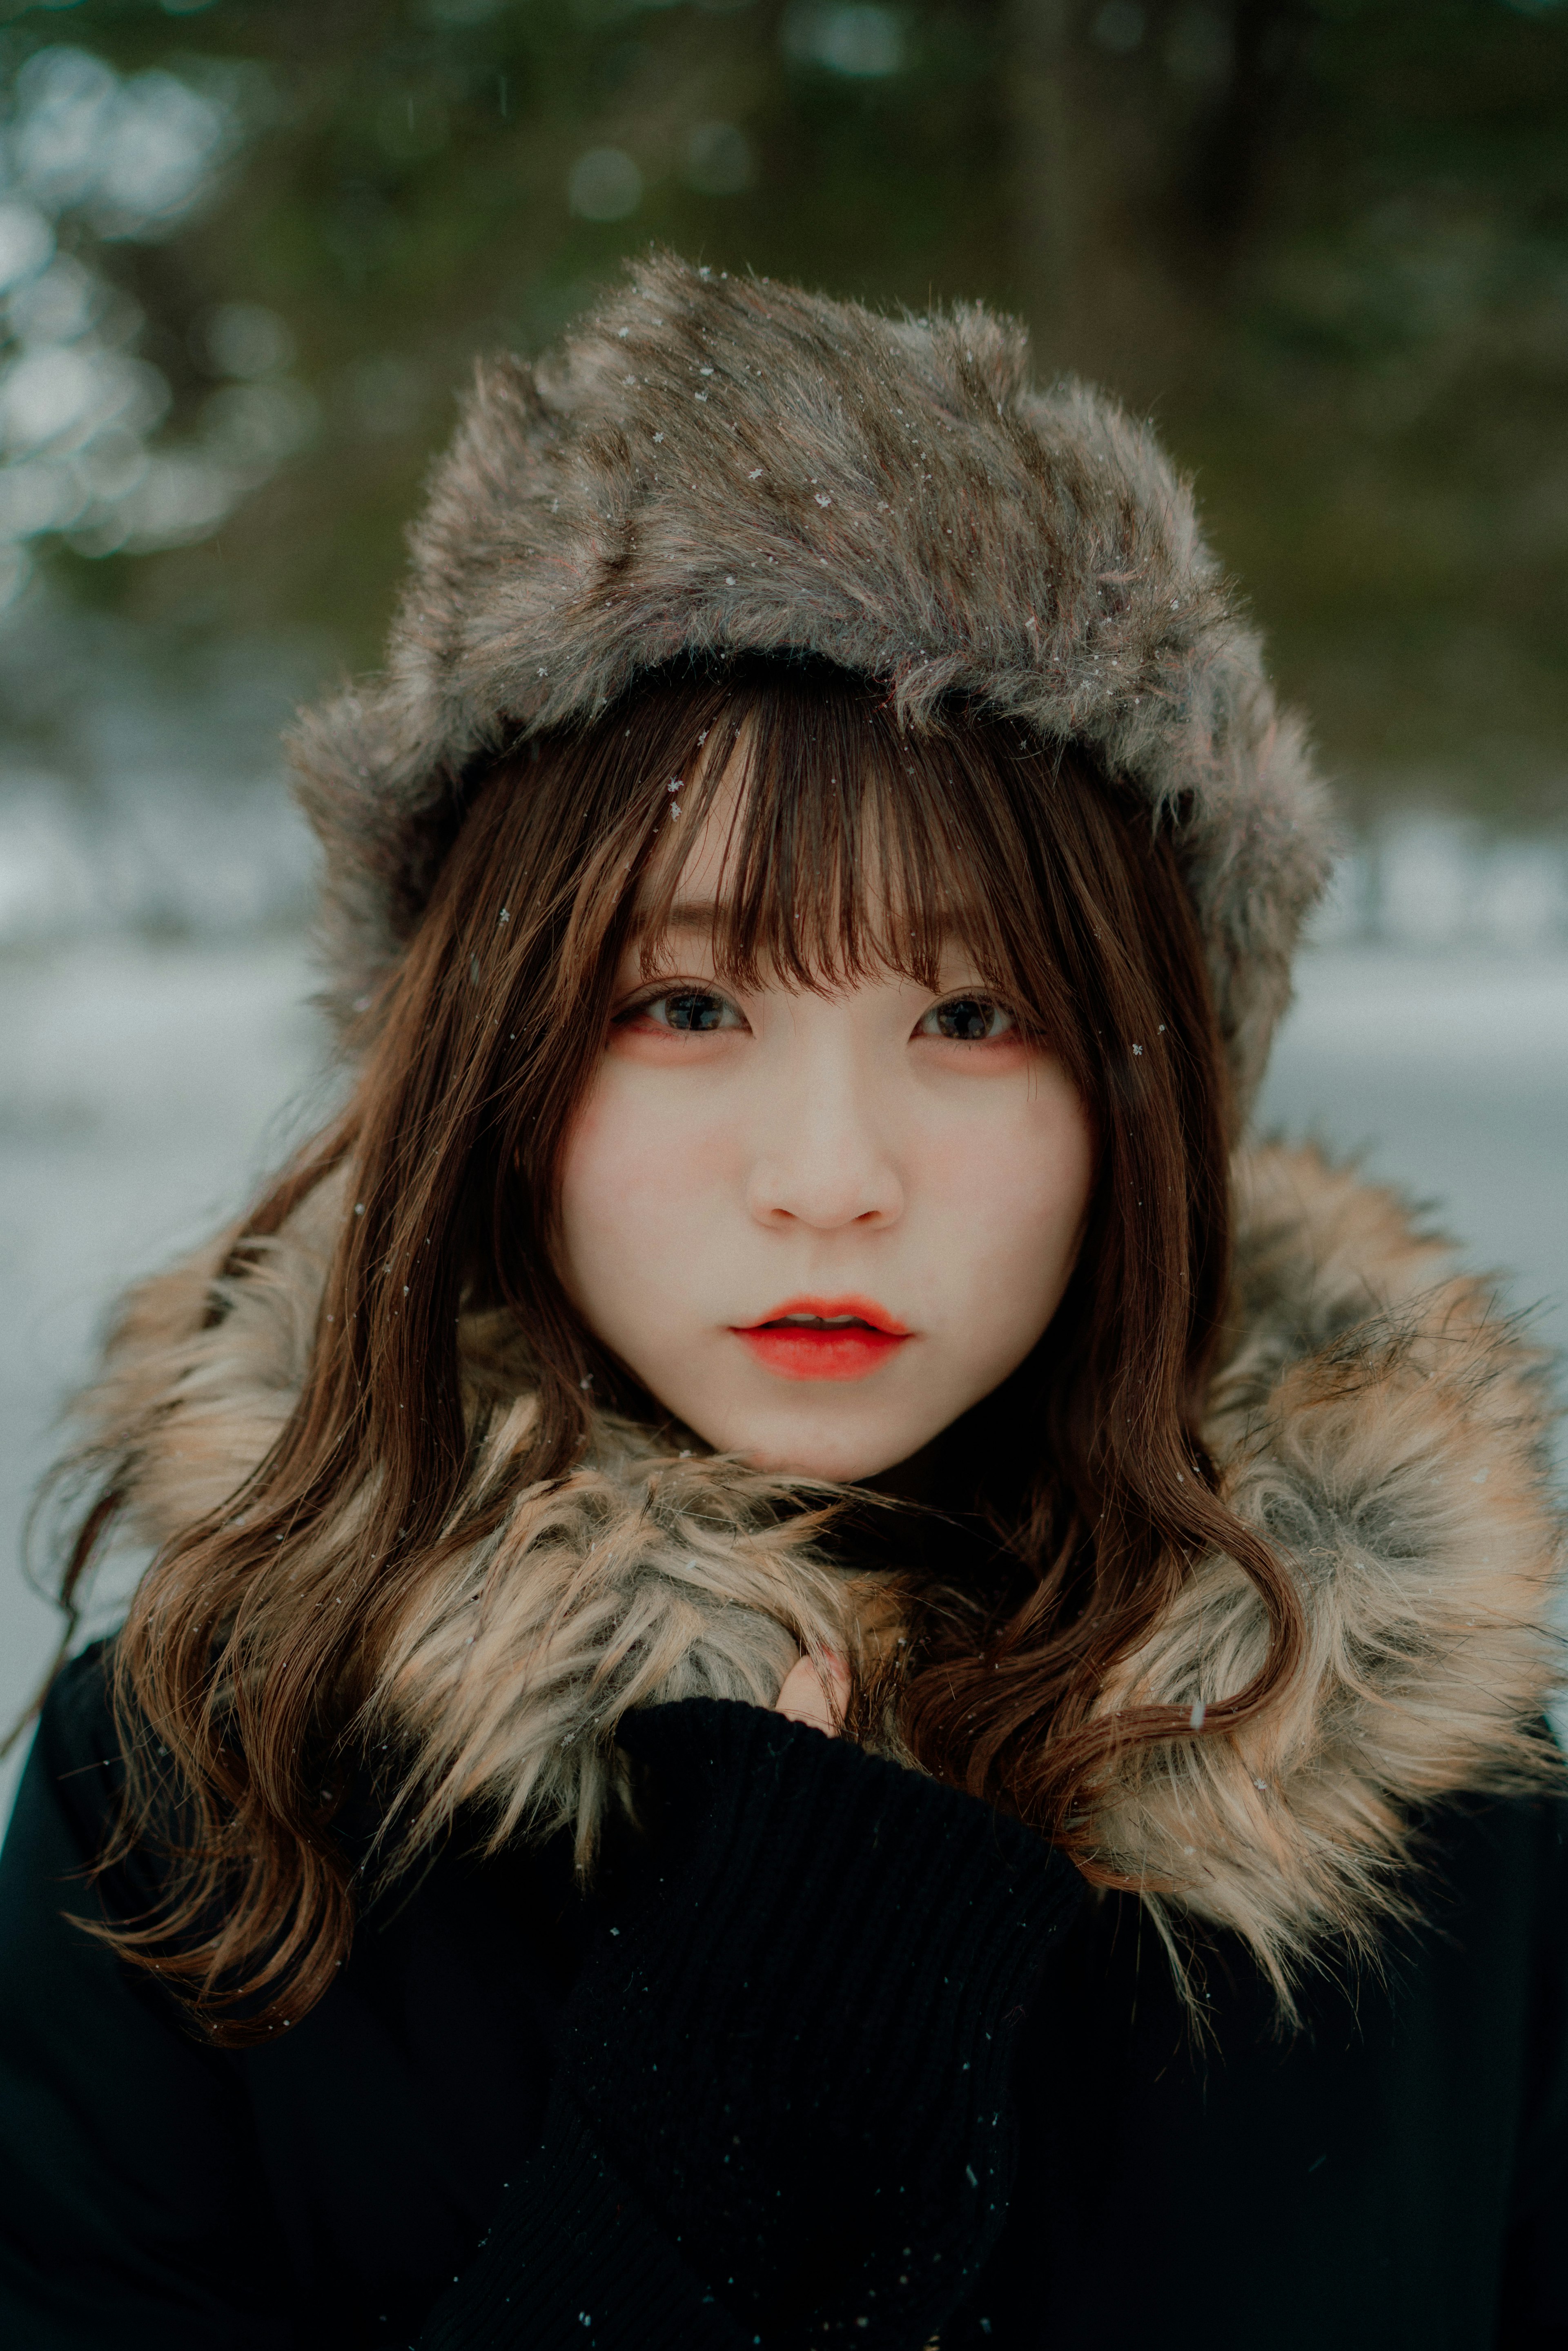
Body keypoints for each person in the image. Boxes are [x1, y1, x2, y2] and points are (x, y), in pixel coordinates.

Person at [1, 253, 1564, 2351]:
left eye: (977, 1010)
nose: (830, 1178)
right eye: (687, 1000)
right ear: (486, 1056)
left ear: (1150, 1087)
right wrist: (722, 2115)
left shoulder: (1446, 1820)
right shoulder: (205, 1778)